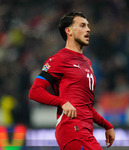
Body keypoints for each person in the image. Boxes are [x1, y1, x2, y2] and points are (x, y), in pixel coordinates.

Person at [29, 11, 115, 150]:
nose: (88, 29)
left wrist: (107, 125)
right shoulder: (59, 59)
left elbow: (85, 106)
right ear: (68, 31)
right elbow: (35, 92)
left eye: (87, 26)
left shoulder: (87, 63)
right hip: (72, 128)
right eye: (82, 25)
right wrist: (62, 102)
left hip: (85, 130)